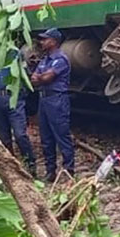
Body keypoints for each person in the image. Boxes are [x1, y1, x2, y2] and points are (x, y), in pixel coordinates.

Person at [0, 51, 37, 175]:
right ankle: (10, 168)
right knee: (3, 136)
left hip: (13, 97)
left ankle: (30, 164)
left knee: (20, 134)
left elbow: (25, 74)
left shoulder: (15, 53)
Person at [30, 28, 75, 182]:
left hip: (57, 100)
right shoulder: (45, 60)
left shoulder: (60, 59)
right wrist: (40, 77)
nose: (42, 42)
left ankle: (69, 171)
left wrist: (41, 77)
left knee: (62, 135)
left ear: (54, 41)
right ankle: (51, 171)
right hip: (44, 100)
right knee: (46, 137)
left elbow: (46, 78)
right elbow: (34, 78)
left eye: (45, 39)